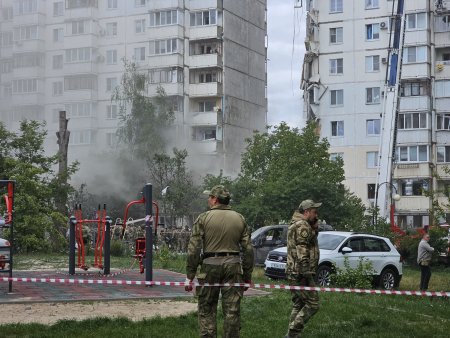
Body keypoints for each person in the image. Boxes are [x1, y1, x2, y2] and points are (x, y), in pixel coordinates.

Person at [185, 185, 254, 338]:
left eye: (210, 197)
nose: (208, 200)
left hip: (210, 265)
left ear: (215, 199)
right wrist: (247, 275)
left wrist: (190, 275)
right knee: (232, 311)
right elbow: (248, 249)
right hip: (234, 267)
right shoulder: (240, 218)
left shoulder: (203, 218)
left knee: (207, 308)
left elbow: (194, 249)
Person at [285, 199, 321, 338]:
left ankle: (292, 335)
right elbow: (302, 249)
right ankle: (293, 332)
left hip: (294, 271)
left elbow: (308, 242)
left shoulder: (299, 223)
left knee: (299, 304)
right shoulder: (303, 225)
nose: (316, 214)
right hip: (301, 272)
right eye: (314, 211)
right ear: (306, 212)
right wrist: (306, 272)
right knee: (313, 304)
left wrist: (314, 229)